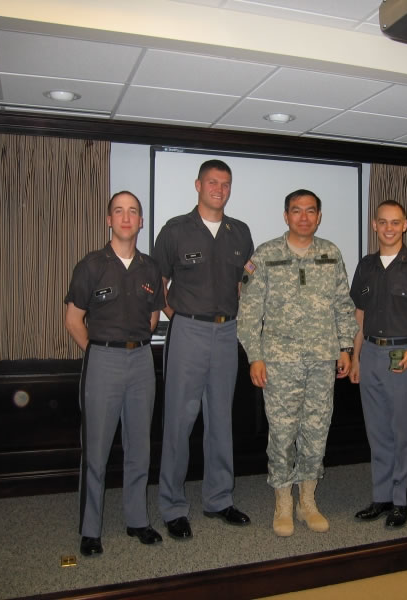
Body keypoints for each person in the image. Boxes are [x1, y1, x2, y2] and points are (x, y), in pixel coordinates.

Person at [237, 189, 357, 537]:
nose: (304, 217)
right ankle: (283, 502)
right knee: (282, 432)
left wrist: (345, 347)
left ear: (319, 217)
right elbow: (249, 311)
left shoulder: (330, 253)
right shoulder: (266, 254)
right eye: (296, 210)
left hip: (322, 359)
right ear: (286, 216)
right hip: (279, 362)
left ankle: (307, 501)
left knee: (317, 430)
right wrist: (255, 356)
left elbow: (343, 304)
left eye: (310, 211)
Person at [153, 159, 254, 539]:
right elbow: (157, 283)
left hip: (227, 333)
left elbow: (243, 285)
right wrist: (177, 317)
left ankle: (219, 498)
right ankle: (172, 506)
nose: (219, 189)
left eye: (225, 183)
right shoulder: (175, 230)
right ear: (198, 185)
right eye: (212, 182)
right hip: (188, 332)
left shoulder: (239, 232)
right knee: (179, 421)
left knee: (221, 420)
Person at [64, 190, 165, 557]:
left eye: (132, 211)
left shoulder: (150, 268)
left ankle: (137, 520)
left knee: (139, 447)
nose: (126, 217)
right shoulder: (91, 265)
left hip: (141, 361)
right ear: (109, 220)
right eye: (119, 211)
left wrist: (132, 347)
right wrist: (100, 350)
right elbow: (73, 320)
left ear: (141, 221)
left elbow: (153, 317)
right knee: (96, 450)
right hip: (102, 361)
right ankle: (90, 530)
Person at [349, 200, 407, 528]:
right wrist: (356, 357)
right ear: (374, 225)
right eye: (383, 222)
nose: (389, 228)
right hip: (371, 353)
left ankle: (400, 502)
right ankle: (382, 497)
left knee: (402, 432)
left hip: (402, 352)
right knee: (377, 432)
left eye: (395, 222)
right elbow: (359, 315)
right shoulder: (366, 265)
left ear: (405, 225)